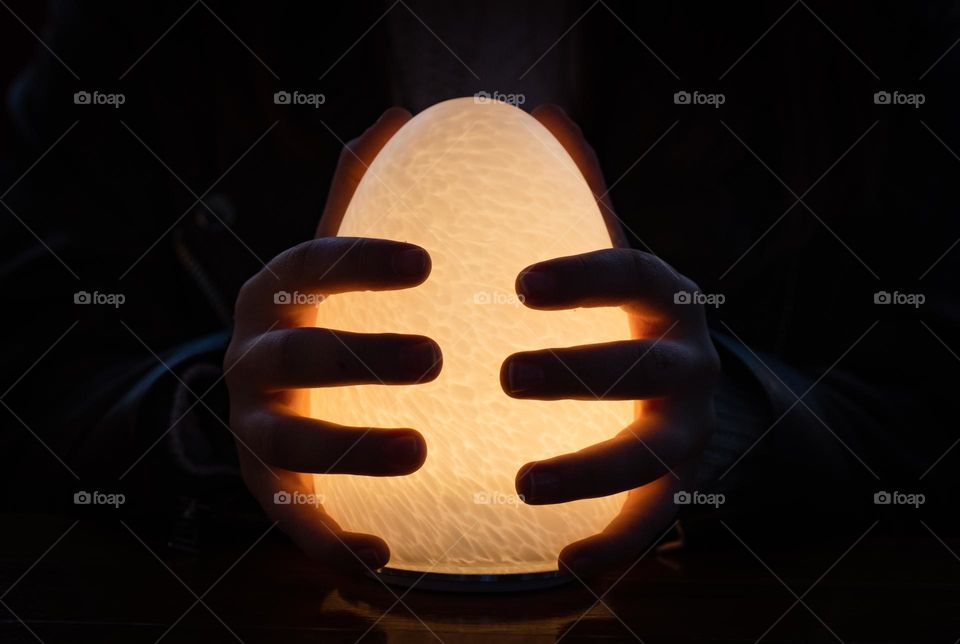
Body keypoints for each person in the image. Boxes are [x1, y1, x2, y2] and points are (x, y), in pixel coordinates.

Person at [2, 1, 957, 578]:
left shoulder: (855, 38)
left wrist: (740, 427)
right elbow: (29, 362)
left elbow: (933, 394)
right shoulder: (151, 31)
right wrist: (214, 417)